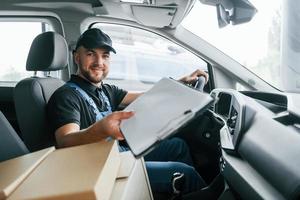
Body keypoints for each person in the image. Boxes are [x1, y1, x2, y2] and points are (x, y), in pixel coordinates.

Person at [47, 28, 208, 195]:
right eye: (90, 54)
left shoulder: (106, 90)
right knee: (184, 173)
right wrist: (101, 129)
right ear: (77, 57)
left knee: (177, 146)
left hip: (118, 154)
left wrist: (182, 81)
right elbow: (64, 142)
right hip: (100, 169)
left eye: (105, 56)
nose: (99, 62)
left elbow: (146, 97)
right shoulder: (66, 95)